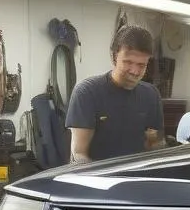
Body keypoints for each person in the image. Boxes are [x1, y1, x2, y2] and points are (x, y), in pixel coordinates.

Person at [65, 25, 165, 165]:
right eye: (128, 62)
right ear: (114, 57)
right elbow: (79, 154)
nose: (135, 71)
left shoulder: (151, 95)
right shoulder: (87, 92)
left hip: (137, 179)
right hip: (94, 180)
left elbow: (155, 145)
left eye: (142, 65)